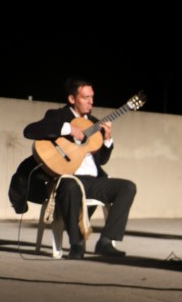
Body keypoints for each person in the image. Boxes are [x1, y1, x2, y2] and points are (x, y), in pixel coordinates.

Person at [19, 76, 137, 259]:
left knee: (127, 187)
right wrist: (68, 129)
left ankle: (105, 241)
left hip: (92, 181)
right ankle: (76, 244)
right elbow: (30, 131)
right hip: (67, 179)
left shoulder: (95, 122)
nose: (90, 102)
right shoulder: (57, 116)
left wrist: (107, 139)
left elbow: (102, 160)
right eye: (85, 97)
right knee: (71, 186)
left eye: (92, 97)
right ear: (72, 99)